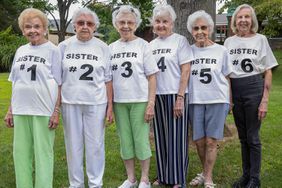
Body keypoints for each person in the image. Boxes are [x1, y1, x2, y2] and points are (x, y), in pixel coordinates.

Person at [4, 8, 61, 188]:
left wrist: (56, 112)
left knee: (43, 154)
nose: (32, 30)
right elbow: (15, 82)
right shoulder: (20, 50)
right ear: (23, 30)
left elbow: (60, 84)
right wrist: (10, 110)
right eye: (28, 27)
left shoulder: (53, 50)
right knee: (20, 154)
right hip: (21, 109)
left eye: (37, 26)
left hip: (43, 110)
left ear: (44, 28)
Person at [224, 4, 278, 188]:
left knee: (253, 137)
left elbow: (268, 70)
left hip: (254, 87)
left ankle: (255, 179)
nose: (243, 20)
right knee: (242, 137)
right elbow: (227, 74)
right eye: (240, 17)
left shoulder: (261, 39)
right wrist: (229, 98)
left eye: (247, 17)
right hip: (236, 88)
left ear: (252, 20)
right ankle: (246, 176)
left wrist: (265, 99)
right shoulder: (228, 42)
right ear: (234, 21)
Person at [58, 8, 113, 188]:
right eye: (80, 23)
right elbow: (57, 80)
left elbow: (108, 80)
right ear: (74, 25)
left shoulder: (103, 47)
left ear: (95, 27)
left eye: (89, 24)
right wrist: (56, 106)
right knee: (73, 146)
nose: (84, 26)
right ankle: (76, 184)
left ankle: (96, 183)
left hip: (96, 102)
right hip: (70, 101)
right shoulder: (63, 47)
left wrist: (110, 107)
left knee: (95, 146)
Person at [110, 5, 159, 188]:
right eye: (122, 22)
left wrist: (150, 103)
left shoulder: (143, 46)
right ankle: (131, 178)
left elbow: (152, 76)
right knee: (125, 140)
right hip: (119, 102)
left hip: (139, 100)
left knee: (141, 140)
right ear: (116, 24)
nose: (125, 26)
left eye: (130, 22)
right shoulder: (111, 48)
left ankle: (144, 179)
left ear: (136, 24)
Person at [149, 4, 194, 187]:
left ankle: (178, 178)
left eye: (165, 21)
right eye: (158, 21)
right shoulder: (150, 45)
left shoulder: (180, 41)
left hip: (176, 95)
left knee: (177, 137)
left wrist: (180, 97)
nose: (161, 25)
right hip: (157, 95)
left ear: (172, 23)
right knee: (160, 137)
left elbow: (186, 70)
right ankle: (163, 176)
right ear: (153, 24)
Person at [187, 10, 232, 188]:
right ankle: (204, 171)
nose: (200, 31)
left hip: (217, 99)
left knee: (211, 141)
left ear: (210, 29)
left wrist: (230, 100)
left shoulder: (221, 51)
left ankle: (208, 177)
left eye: (203, 27)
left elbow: (228, 77)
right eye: (196, 28)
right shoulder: (188, 51)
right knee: (199, 142)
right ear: (191, 31)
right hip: (195, 100)